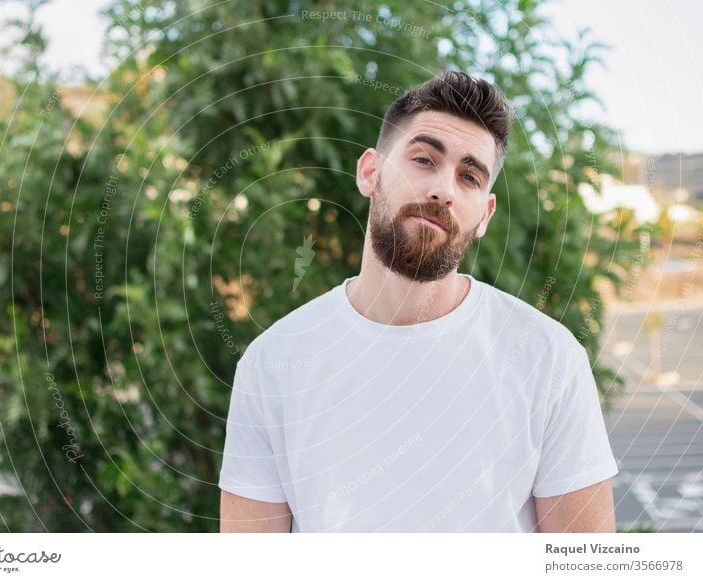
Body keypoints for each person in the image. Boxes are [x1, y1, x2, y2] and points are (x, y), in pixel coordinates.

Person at [218, 71, 618, 533]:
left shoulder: (547, 357)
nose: (444, 190)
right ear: (370, 172)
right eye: (424, 159)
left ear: (484, 215)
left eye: (469, 177)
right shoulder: (274, 362)